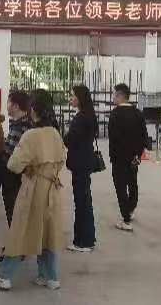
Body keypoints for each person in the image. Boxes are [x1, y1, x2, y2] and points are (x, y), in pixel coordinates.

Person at [0, 89, 66, 291]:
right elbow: (62, 160)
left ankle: (3, 276)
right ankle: (50, 276)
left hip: (33, 188)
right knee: (48, 233)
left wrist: (31, 168)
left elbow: (14, 164)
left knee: (20, 232)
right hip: (52, 188)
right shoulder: (55, 133)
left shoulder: (31, 135)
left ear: (33, 110)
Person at [108, 83, 149, 232]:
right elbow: (144, 137)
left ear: (120, 96)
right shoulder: (138, 113)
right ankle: (130, 209)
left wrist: (114, 155)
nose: (113, 98)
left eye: (114, 95)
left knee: (120, 186)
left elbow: (113, 138)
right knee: (132, 183)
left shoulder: (115, 114)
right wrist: (138, 154)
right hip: (133, 158)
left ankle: (125, 219)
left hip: (119, 158)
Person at [65, 85, 97, 252]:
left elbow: (70, 139)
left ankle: (83, 242)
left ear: (80, 98)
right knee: (85, 200)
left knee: (82, 202)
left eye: (73, 96)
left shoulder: (81, 118)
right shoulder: (89, 115)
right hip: (85, 162)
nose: (71, 99)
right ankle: (88, 238)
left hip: (80, 163)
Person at [3, 90, 32, 227]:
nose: (6, 106)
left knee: (14, 210)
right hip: (17, 175)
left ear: (15, 106)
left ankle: (15, 238)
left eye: (8, 102)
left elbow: (11, 152)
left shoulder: (21, 126)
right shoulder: (21, 123)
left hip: (15, 175)